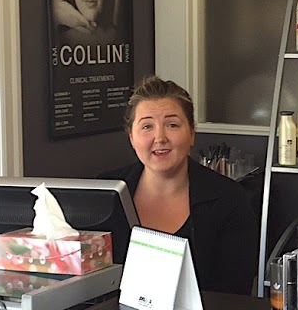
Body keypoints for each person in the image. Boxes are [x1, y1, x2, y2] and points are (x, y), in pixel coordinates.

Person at [106, 76, 258, 295]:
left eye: (172, 125)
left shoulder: (229, 199)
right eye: (147, 126)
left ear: (192, 133)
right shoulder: (107, 192)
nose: (160, 138)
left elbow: (233, 292)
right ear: (132, 137)